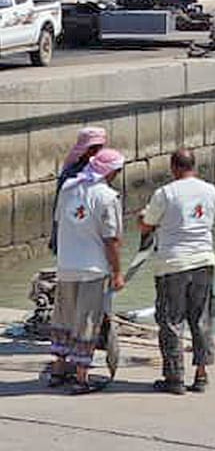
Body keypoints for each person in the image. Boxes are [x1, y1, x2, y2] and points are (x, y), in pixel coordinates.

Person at [139, 148, 215, 394]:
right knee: (201, 318)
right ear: (194, 165)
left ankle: (174, 378)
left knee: (171, 320)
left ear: (173, 167)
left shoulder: (165, 193)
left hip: (173, 263)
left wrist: (142, 219)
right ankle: (201, 375)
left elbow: (147, 224)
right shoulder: (211, 191)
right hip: (204, 260)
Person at [48, 147, 126, 392]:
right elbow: (112, 240)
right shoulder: (108, 197)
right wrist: (117, 272)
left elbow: (59, 222)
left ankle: (59, 369)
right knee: (87, 322)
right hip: (93, 268)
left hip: (66, 266)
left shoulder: (67, 189)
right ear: (110, 172)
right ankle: (81, 377)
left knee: (63, 318)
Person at [50, 127, 108, 254]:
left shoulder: (101, 170)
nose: (96, 153)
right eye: (93, 148)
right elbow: (61, 208)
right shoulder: (70, 174)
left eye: (99, 148)